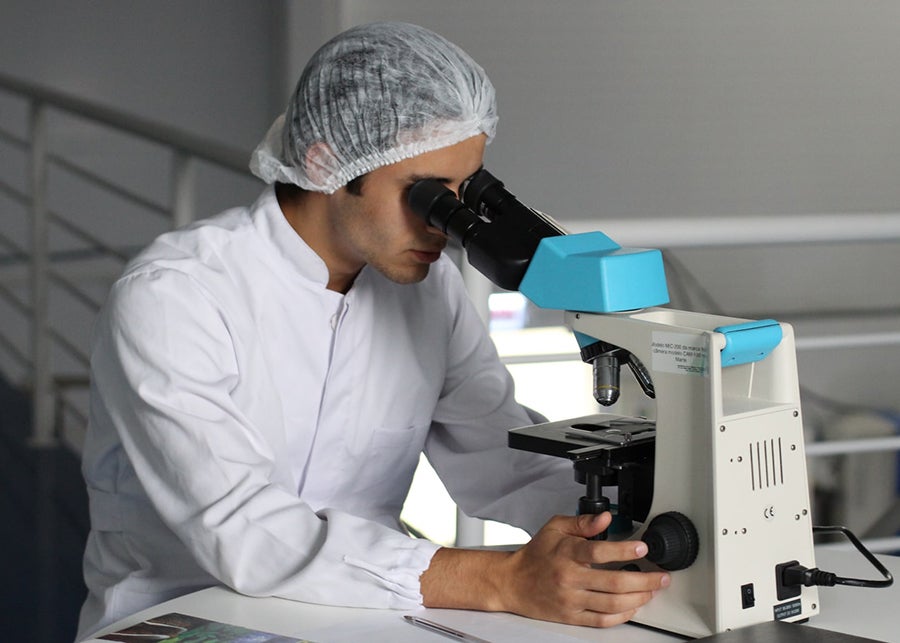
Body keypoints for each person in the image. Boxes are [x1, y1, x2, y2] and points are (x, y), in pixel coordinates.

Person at [76, 21, 669, 641]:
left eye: (466, 191)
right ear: (327, 162)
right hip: (185, 616)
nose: (447, 225)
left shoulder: (427, 290)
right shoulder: (178, 296)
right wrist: (503, 579)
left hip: (361, 611)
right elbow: (244, 530)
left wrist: (625, 531)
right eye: (428, 196)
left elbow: (502, 459)